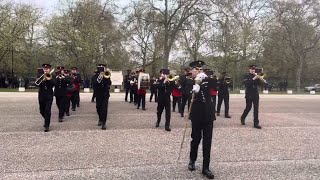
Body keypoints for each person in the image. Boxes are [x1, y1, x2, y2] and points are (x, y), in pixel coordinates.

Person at [188, 60, 215, 179]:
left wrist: (206, 80)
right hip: (196, 114)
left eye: (200, 69)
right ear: (191, 71)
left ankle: (206, 167)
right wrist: (194, 89)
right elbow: (184, 95)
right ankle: (192, 160)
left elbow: (216, 85)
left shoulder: (207, 80)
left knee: (207, 141)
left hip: (208, 114)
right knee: (196, 138)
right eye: (196, 69)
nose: (198, 71)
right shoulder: (188, 81)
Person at [240, 65, 263, 129]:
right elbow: (246, 84)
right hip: (249, 94)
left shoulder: (256, 76)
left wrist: (259, 78)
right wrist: (254, 78)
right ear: (249, 69)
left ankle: (256, 123)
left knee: (256, 109)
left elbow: (260, 84)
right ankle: (242, 117)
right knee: (248, 108)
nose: (253, 70)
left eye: (254, 69)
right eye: (252, 69)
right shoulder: (246, 76)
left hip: (255, 94)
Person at [36, 64, 55, 132]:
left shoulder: (52, 76)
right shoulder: (40, 76)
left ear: (49, 69)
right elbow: (36, 84)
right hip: (41, 95)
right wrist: (42, 79)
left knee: (47, 110)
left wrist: (49, 79)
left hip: (49, 95)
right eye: (44, 69)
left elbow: (54, 84)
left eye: (47, 69)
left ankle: (47, 125)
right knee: (41, 111)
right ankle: (47, 119)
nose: (46, 70)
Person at [92, 64, 112, 130]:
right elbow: (95, 83)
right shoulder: (95, 76)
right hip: (98, 94)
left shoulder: (106, 75)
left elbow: (109, 83)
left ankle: (104, 123)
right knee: (98, 108)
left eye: (103, 67)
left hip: (105, 94)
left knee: (104, 109)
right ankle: (100, 118)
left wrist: (107, 77)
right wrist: (100, 76)